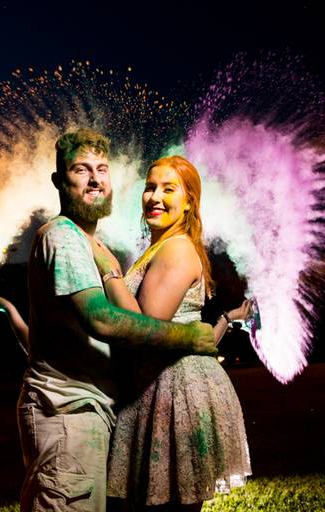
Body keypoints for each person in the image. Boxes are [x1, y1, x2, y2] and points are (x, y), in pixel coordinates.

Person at [10, 129, 223, 512]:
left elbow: (116, 325)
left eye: (102, 169)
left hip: (92, 410)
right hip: (68, 412)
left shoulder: (91, 241)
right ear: (60, 181)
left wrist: (110, 271)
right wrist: (189, 337)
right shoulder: (66, 237)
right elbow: (103, 321)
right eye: (80, 169)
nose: (94, 179)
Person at [91, 155, 252, 511]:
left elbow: (146, 326)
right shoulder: (162, 245)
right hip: (159, 385)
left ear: (189, 200)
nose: (155, 197)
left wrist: (109, 273)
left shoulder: (177, 247)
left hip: (172, 390)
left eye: (169, 188)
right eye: (150, 187)